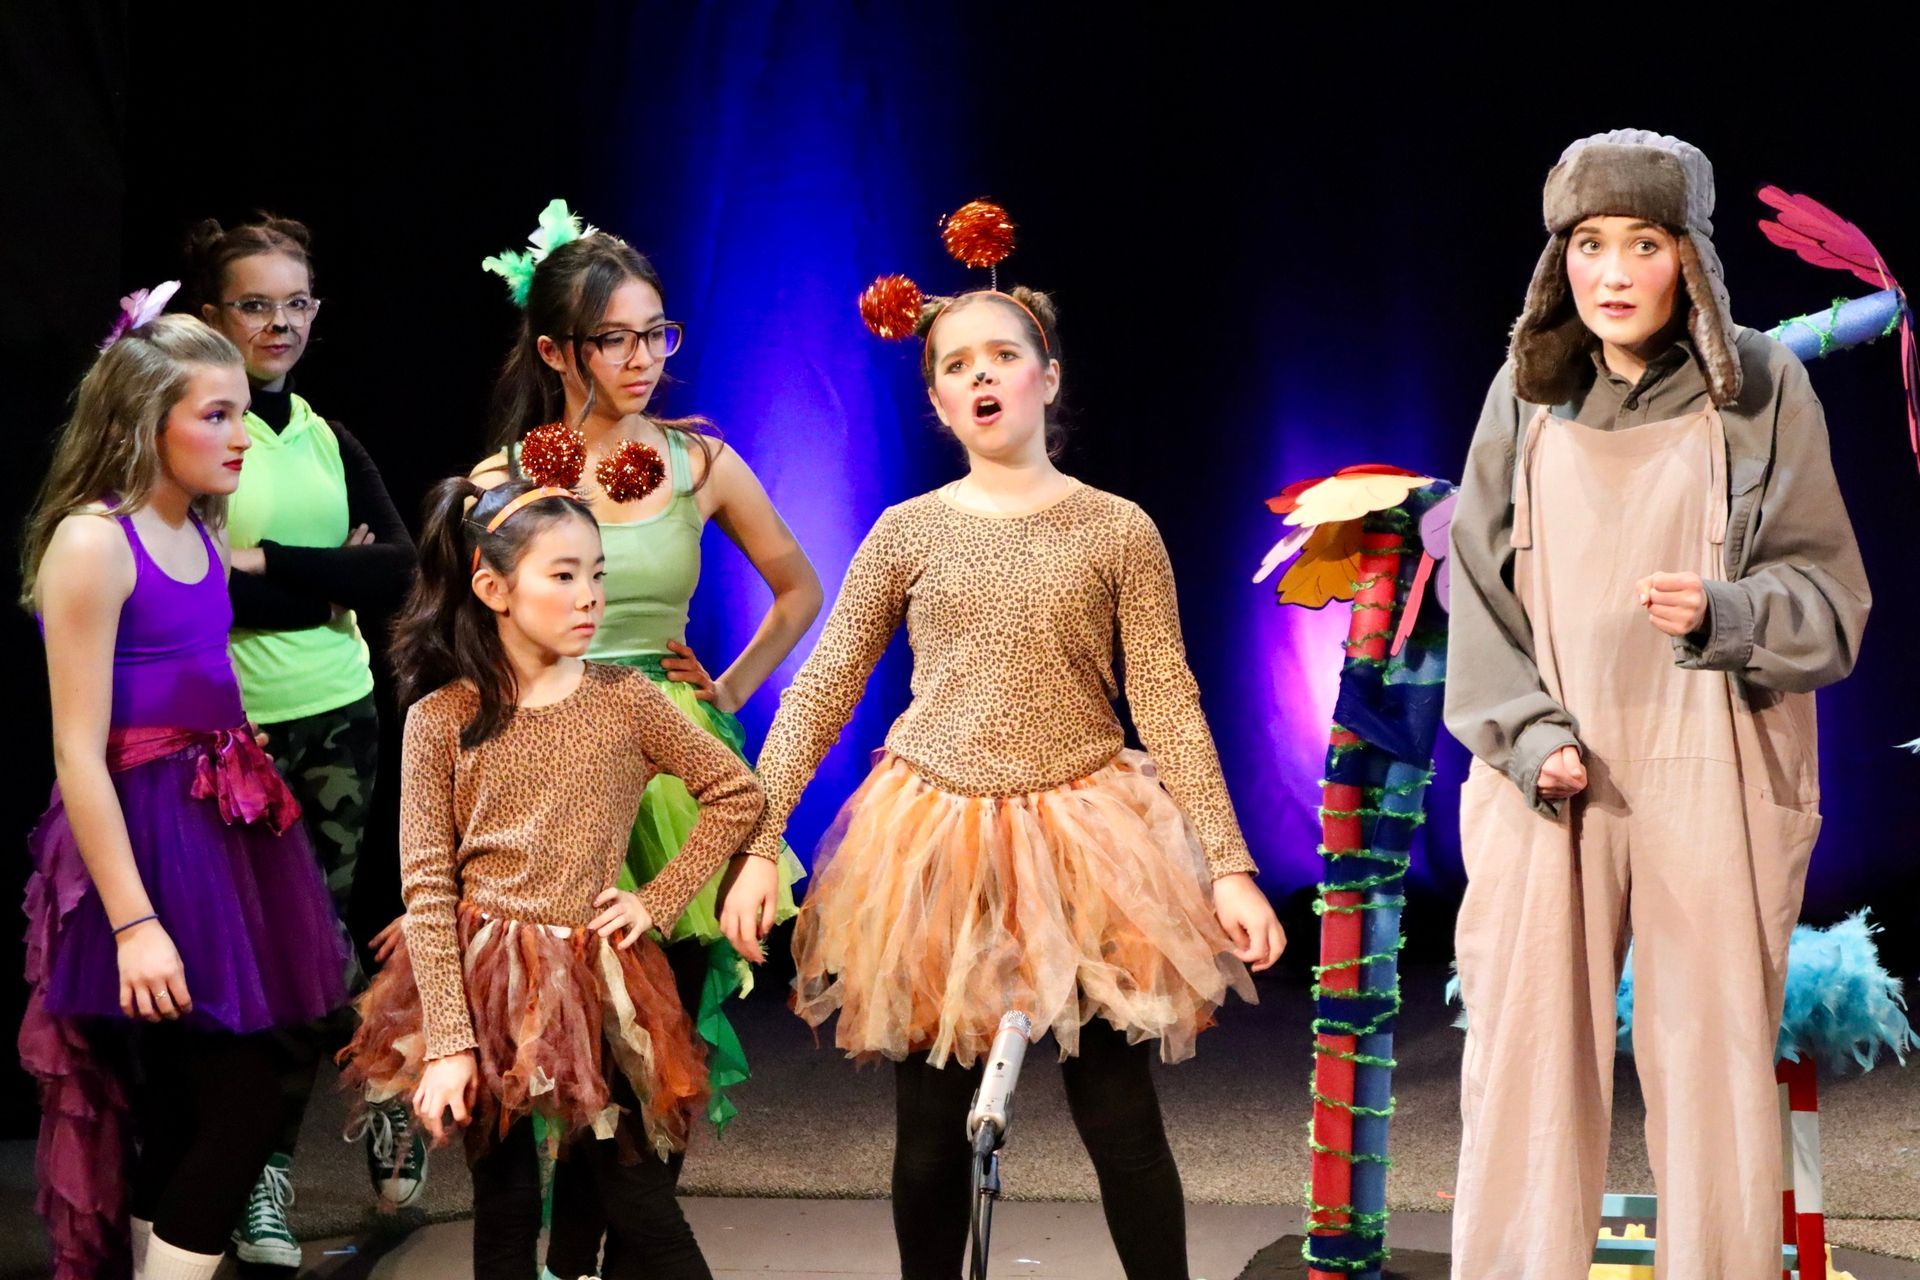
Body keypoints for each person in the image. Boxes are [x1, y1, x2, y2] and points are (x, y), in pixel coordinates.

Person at [731, 282, 1285, 1279]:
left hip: (1084, 834)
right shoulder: (907, 529)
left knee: (1118, 1113)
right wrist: (760, 842)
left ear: (1048, 377)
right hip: (936, 837)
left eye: (1001, 353)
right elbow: (823, 686)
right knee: (932, 1126)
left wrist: (1229, 864)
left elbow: (1166, 695)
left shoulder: (1117, 527)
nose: (980, 372)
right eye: (955, 363)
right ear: (939, 402)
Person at [1443, 129, 1871, 1279]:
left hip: (1712, 761)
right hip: (1554, 775)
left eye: (1645, 241)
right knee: (1528, 1069)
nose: (1615, 271)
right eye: (1591, 243)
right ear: (1560, 261)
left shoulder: (1763, 386)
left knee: (1718, 1069)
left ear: (1691, 256)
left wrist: (1727, 610)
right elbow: (1475, 596)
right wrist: (1530, 737)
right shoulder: (1524, 394)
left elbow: (1833, 599)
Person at [473, 207, 818, 1279]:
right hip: (559, 779)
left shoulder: (697, 459)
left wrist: (729, 686)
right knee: (584, 1062)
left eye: (656, 333)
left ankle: (599, 1263)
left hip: (674, 776)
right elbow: (466, 645)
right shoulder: (508, 481)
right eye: (616, 338)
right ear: (555, 352)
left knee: (656, 1059)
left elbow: (799, 584)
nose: (641, 360)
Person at [338, 476, 765, 1280]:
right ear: (494, 587)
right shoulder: (441, 718)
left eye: (597, 574)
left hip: (597, 978)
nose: (589, 595)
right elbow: (427, 888)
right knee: (501, 1207)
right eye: (563, 575)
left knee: (638, 1196)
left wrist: (660, 897)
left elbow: (736, 794)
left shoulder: (624, 699)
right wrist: (452, 1046)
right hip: (484, 980)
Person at [19, 303, 350, 1280]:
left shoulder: (199, 527)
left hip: (226, 824)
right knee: (239, 1102)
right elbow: (79, 752)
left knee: (192, 1107)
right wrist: (133, 922)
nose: (241, 435)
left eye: (241, 412)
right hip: (150, 846)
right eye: (214, 415)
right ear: (140, 422)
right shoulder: (93, 542)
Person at [185, 213, 424, 1262]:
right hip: (219, 733)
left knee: (309, 950)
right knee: (251, 965)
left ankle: (269, 1174)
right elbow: (186, 586)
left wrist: (265, 560)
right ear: (210, 315)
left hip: (339, 718)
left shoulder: (326, 434)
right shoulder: (191, 425)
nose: (279, 321)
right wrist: (329, 570)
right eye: (255, 303)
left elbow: (408, 572)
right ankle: (369, 1081)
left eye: (296, 303)